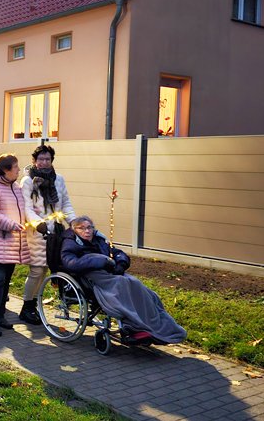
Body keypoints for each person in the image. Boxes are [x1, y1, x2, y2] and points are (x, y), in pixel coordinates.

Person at [61, 216, 187, 344]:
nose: (87, 231)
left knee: (141, 287)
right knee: (123, 285)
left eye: (89, 227)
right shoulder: (70, 242)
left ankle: (159, 326)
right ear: (74, 230)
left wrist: (121, 263)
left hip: (111, 271)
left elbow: (117, 252)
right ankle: (133, 326)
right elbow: (70, 262)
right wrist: (100, 261)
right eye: (81, 228)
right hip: (94, 277)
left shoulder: (99, 239)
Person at [18, 144, 76, 325]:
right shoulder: (27, 181)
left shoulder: (59, 179)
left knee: (56, 267)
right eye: (41, 159)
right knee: (37, 270)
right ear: (34, 161)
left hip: (57, 230)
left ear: (52, 161)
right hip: (38, 232)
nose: (44, 162)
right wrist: (38, 223)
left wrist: (73, 221)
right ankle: (27, 307)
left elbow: (65, 203)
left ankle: (54, 302)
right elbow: (26, 207)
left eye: (47, 159)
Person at [0, 153, 28, 337]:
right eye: (15, 167)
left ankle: (0, 315)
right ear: (6, 170)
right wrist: (9, 224)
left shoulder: (16, 187)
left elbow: (22, 208)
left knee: (6, 280)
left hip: (14, 242)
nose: (18, 170)